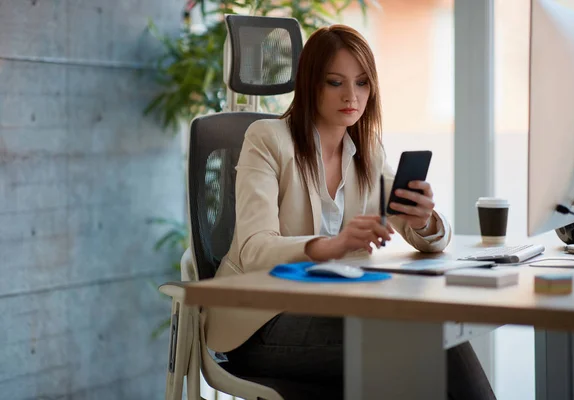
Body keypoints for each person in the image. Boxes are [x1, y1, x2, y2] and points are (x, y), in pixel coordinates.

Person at [204, 24, 496, 400]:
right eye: (335, 82)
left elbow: (418, 232)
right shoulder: (267, 139)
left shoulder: (367, 151)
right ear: (311, 84)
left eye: (362, 83)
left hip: (333, 309)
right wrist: (332, 245)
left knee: (432, 334)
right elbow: (255, 252)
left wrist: (423, 218)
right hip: (260, 323)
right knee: (425, 342)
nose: (351, 96)